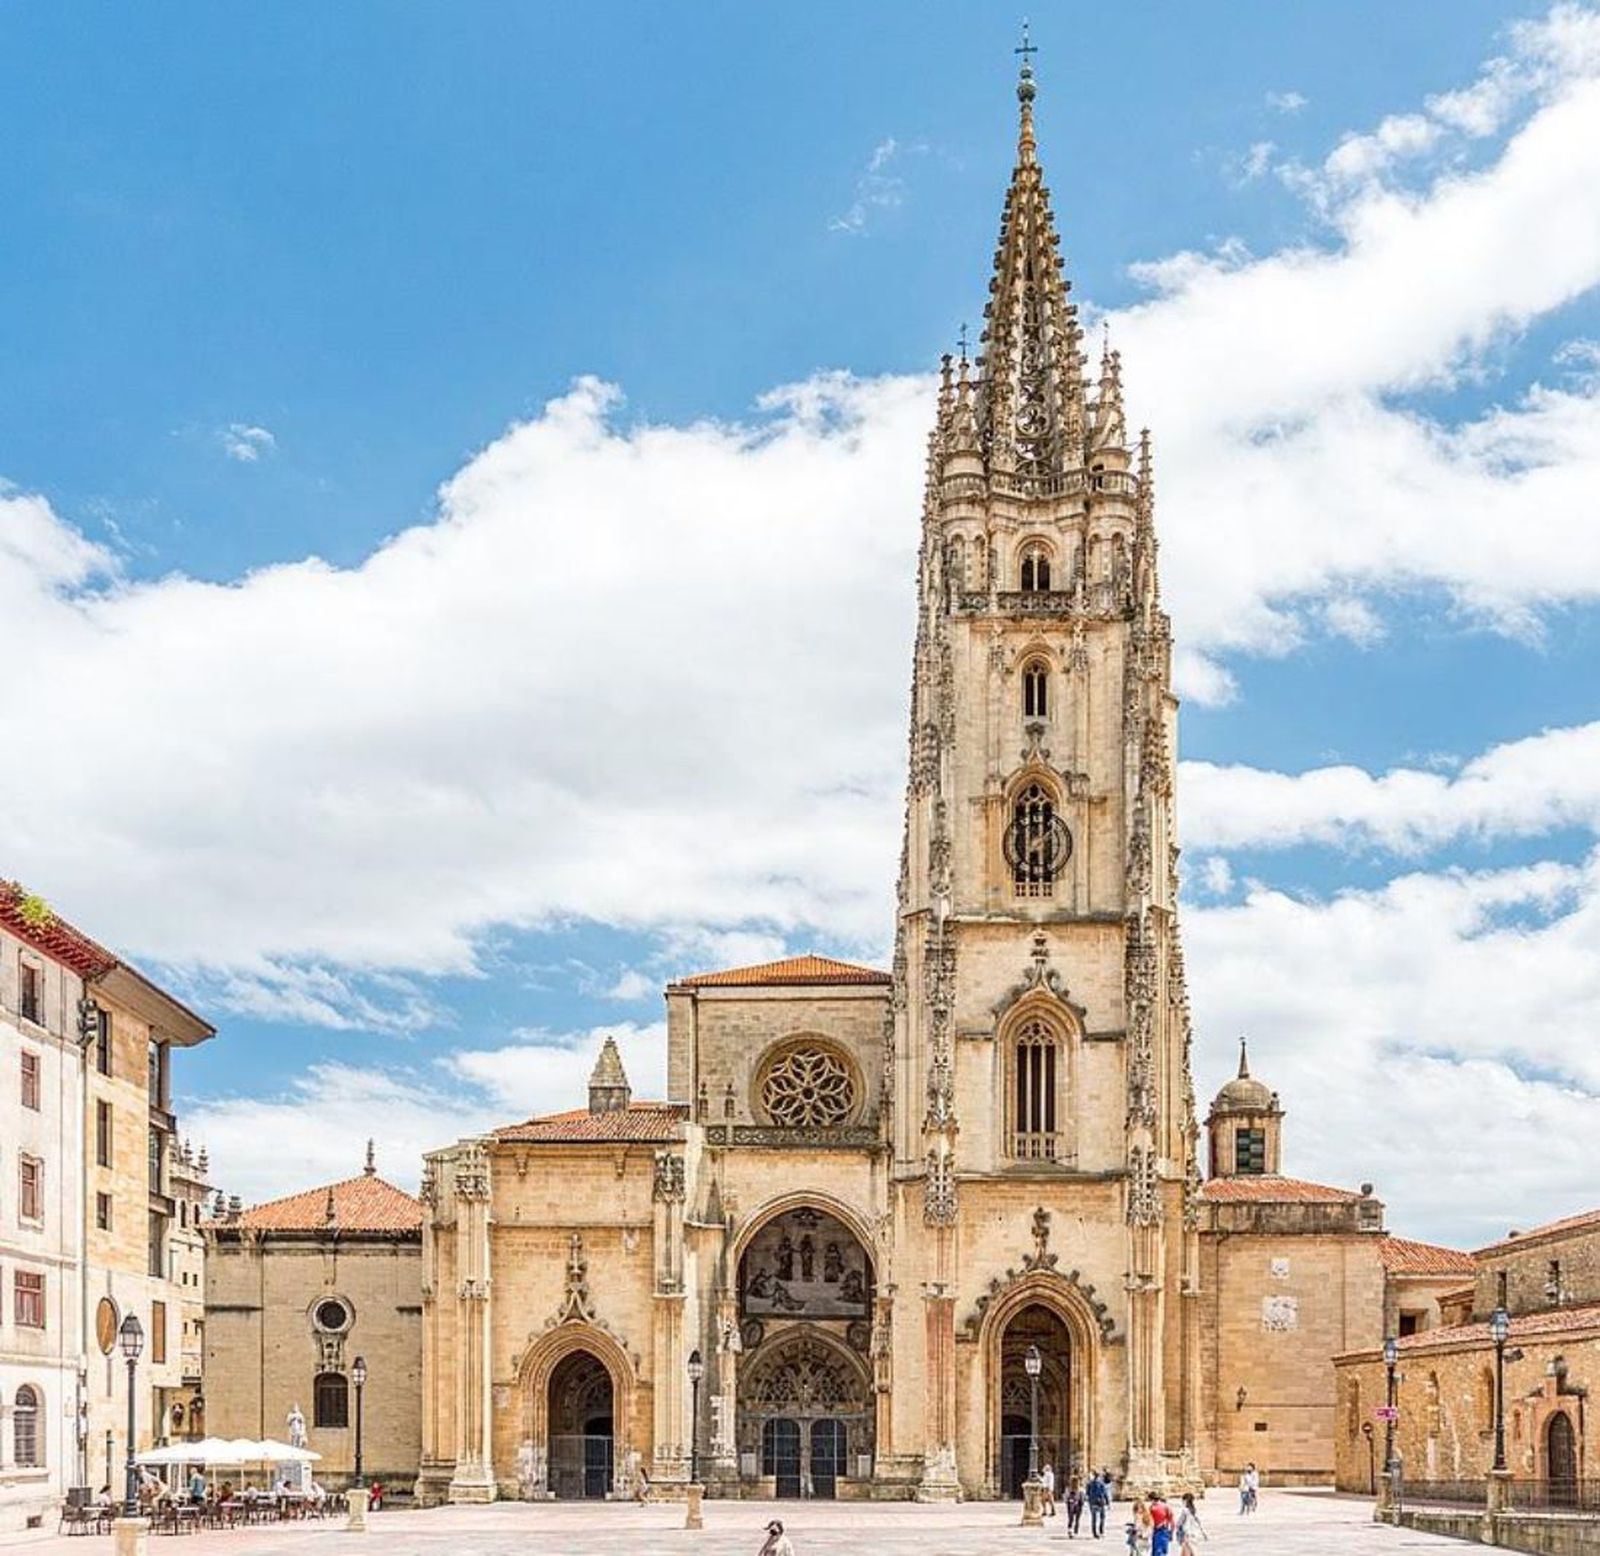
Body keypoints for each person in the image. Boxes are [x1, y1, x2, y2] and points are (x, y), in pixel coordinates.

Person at [1086, 1470, 1110, 1539]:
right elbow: (1105, 1494)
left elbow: (1087, 1494)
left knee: (1094, 1518)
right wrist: (1108, 1503)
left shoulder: (1089, 1484)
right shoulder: (1102, 1484)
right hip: (1101, 1502)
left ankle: (1095, 1533)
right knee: (1102, 1517)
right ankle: (1101, 1531)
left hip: (1093, 1502)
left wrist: (1089, 1500)